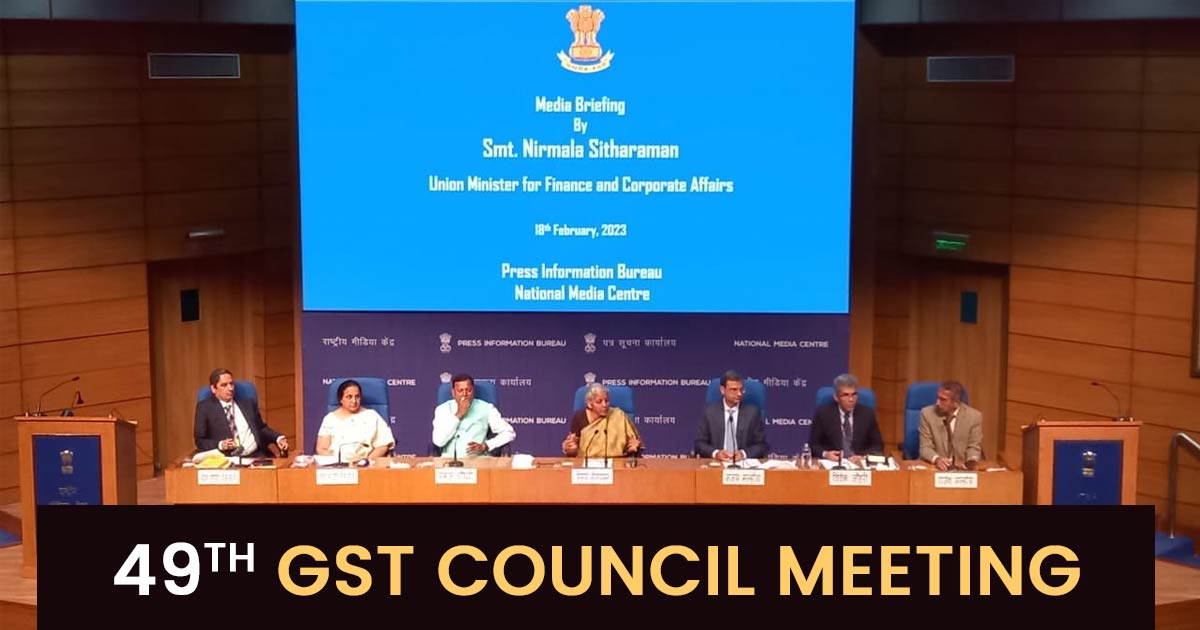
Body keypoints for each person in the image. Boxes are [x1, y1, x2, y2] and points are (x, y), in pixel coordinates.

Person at [194, 368, 288, 456]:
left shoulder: (248, 404)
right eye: (224, 385)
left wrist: (277, 438)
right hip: (227, 460)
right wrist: (220, 445)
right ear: (214, 389)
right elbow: (200, 440)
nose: (230, 388)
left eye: (231, 384)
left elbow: (261, 428)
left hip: (256, 456)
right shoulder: (205, 408)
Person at [432, 374, 516, 458]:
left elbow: (509, 433)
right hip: (449, 461)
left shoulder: (487, 408)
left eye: (468, 390)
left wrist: (486, 445)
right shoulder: (442, 410)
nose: (464, 394)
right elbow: (438, 441)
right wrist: (458, 414)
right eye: (460, 391)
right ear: (453, 393)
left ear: (473, 391)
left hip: (480, 460)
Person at [808, 373, 883, 466]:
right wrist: (826, 454)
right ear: (836, 397)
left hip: (859, 465)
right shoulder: (823, 413)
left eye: (854, 394)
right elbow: (813, 445)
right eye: (846, 395)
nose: (851, 399)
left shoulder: (867, 414)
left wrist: (863, 457)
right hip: (833, 464)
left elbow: (877, 446)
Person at [694, 370, 768, 461]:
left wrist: (743, 454)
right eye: (734, 390)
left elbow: (761, 445)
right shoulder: (710, 412)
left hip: (743, 463)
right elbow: (700, 443)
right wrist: (716, 453)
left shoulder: (753, 413)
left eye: (741, 389)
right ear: (722, 390)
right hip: (717, 462)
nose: (739, 394)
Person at [316, 379, 395, 463]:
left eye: (357, 397)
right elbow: (322, 449)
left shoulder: (371, 416)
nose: (354, 401)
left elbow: (383, 445)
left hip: (365, 464)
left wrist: (366, 461)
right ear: (341, 399)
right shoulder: (330, 419)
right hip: (336, 465)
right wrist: (337, 463)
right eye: (349, 397)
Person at [562, 382, 642, 458]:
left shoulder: (619, 415)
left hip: (617, 462)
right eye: (599, 402)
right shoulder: (579, 418)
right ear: (589, 404)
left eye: (606, 401)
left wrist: (633, 447)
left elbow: (635, 443)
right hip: (587, 463)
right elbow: (573, 447)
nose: (604, 405)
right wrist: (570, 448)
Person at [919, 380, 982, 470]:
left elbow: (974, 446)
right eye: (938, 398)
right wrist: (937, 459)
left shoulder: (974, 417)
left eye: (943, 400)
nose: (937, 403)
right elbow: (925, 447)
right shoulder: (927, 414)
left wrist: (971, 460)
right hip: (934, 467)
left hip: (961, 468)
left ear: (956, 403)